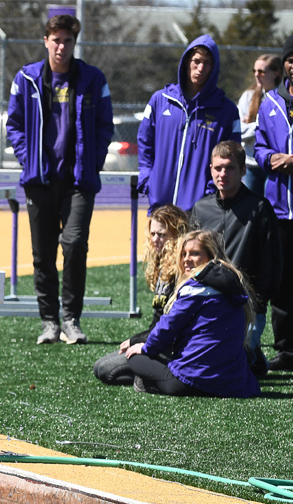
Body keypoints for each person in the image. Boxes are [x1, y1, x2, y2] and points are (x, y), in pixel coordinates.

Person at [6, 14, 114, 345]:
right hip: (40, 180)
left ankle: (71, 319)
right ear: (46, 41)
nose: (61, 46)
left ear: (74, 43)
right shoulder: (26, 78)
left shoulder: (94, 79)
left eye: (67, 40)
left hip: (79, 180)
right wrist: (28, 158)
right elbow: (14, 124)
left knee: (76, 244)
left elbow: (104, 126)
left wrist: (93, 161)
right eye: (56, 40)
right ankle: (49, 322)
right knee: (42, 254)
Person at [125, 230, 260, 397]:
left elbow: (168, 327)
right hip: (233, 384)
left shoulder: (197, 287)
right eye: (183, 254)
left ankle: (149, 383)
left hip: (190, 381)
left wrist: (146, 347)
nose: (186, 259)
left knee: (133, 358)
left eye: (195, 254)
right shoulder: (235, 285)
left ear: (212, 256)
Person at [190, 141, 282, 376]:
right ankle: (252, 356)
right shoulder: (200, 209)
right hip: (207, 303)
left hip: (246, 305)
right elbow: (188, 262)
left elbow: (271, 263)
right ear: (210, 168)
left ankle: (251, 351)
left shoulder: (260, 209)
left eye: (230, 168)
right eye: (218, 168)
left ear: (243, 171)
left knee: (229, 369)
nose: (223, 174)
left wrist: (257, 304)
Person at [138, 35, 241, 213]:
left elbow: (231, 155)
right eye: (196, 61)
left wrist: (210, 192)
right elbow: (145, 142)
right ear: (186, 62)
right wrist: (148, 179)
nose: (200, 68)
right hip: (160, 207)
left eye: (207, 63)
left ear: (214, 68)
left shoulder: (227, 111)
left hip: (201, 211)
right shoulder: (160, 100)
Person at [93, 204, 190, 385]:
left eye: (162, 235)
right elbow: (157, 320)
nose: (155, 239)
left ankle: (158, 376)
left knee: (107, 371)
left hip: (171, 347)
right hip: (156, 339)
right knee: (99, 367)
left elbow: (171, 325)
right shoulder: (162, 264)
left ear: (177, 235)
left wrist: (137, 341)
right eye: (153, 234)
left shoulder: (182, 269)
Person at [254, 34, 293, 372]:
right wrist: (271, 159)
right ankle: (287, 350)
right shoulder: (270, 102)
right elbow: (259, 147)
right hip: (280, 209)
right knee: (282, 283)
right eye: (291, 59)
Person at [238, 54, 283, 196]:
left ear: (276, 73)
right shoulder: (248, 97)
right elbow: (238, 131)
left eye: (262, 71)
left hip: (275, 166)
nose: (257, 75)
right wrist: (263, 124)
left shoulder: (283, 99)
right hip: (251, 165)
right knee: (251, 212)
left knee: (272, 211)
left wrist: (251, 124)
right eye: (255, 71)